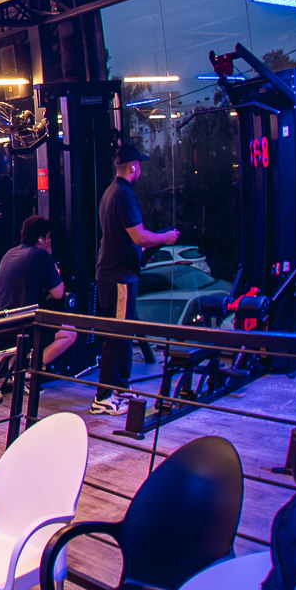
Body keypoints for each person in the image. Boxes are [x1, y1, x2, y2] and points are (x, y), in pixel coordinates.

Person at [91, 143, 179, 415]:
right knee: (118, 336)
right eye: (139, 164)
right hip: (118, 277)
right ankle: (103, 398)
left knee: (124, 334)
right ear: (133, 166)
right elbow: (139, 236)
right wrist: (165, 238)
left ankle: (120, 388)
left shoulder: (111, 192)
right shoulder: (123, 193)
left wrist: (141, 254)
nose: (140, 168)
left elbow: (124, 238)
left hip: (119, 274)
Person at [0, 215, 77, 368]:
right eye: (47, 237)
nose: (49, 241)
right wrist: (50, 260)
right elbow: (58, 293)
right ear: (41, 239)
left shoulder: (10, 253)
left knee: (34, 321)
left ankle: (4, 364)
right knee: (70, 333)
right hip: (14, 328)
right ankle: (29, 369)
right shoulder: (41, 256)